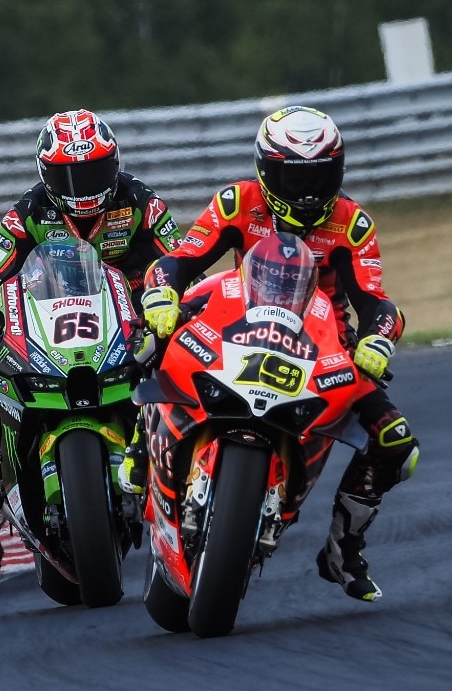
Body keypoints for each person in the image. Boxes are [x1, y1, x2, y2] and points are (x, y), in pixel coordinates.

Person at [130, 105, 418, 601]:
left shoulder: (352, 224)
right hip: (235, 316)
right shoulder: (236, 202)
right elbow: (178, 261)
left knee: (397, 444)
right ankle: (139, 446)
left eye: (320, 177)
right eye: (293, 178)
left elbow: (377, 302)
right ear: (265, 170)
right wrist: (161, 294)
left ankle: (342, 549)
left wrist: (377, 339)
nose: (307, 193)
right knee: (151, 334)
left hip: (322, 338)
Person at [0, 109, 182, 491]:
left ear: (114, 164)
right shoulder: (27, 212)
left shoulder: (142, 201)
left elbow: (181, 261)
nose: (83, 188)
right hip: (54, 308)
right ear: (46, 174)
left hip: (130, 304)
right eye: (68, 177)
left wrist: (177, 302)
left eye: (93, 172)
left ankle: (173, 439)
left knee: (178, 345)